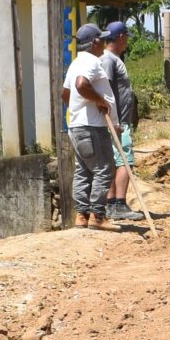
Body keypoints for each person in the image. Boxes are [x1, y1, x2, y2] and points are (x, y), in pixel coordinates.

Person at [64, 22, 119, 230]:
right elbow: (81, 85)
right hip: (92, 127)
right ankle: (98, 215)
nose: (104, 44)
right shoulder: (91, 62)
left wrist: (78, 109)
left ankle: (82, 216)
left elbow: (66, 94)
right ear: (95, 42)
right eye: (102, 40)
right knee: (104, 168)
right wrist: (100, 101)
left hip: (77, 126)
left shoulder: (75, 63)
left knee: (84, 171)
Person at [99, 21, 141, 223]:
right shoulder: (109, 60)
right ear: (121, 37)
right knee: (125, 160)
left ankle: (113, 205)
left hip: (118, 120)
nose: (127, 42)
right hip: (117, 122)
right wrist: (113, 119)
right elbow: (105, 88)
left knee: (115, 161)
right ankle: (118, 204)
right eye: (126, 37)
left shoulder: (113, 59)